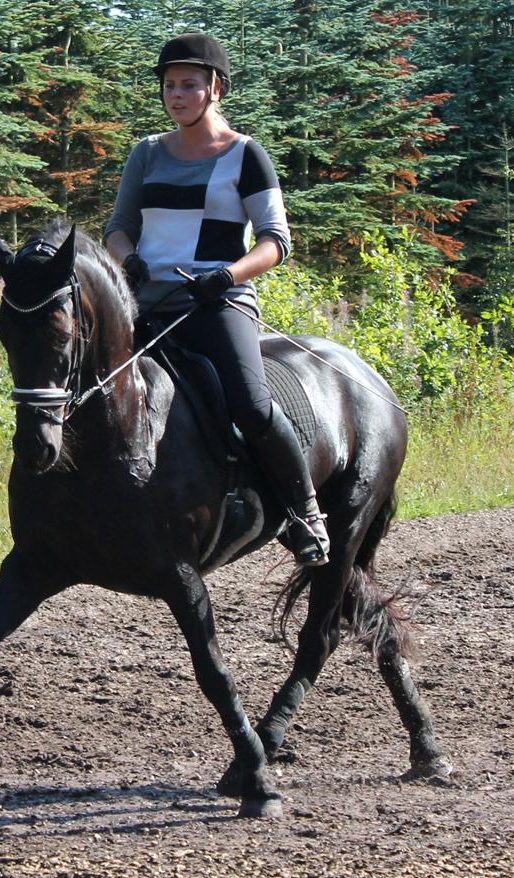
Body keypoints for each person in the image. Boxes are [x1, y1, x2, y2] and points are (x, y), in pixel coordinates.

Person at [103, 32, 330, 566]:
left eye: (188, 85)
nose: (176, 95)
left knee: (251, 405)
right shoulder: (146, 154)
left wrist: (225, 277)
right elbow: (118, 228)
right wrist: (128, 258)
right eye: (168, 86)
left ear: (215, 89)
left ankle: (304, 513)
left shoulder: (246, 156)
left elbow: (277, 241)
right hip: (147, 302)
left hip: (216, 302)